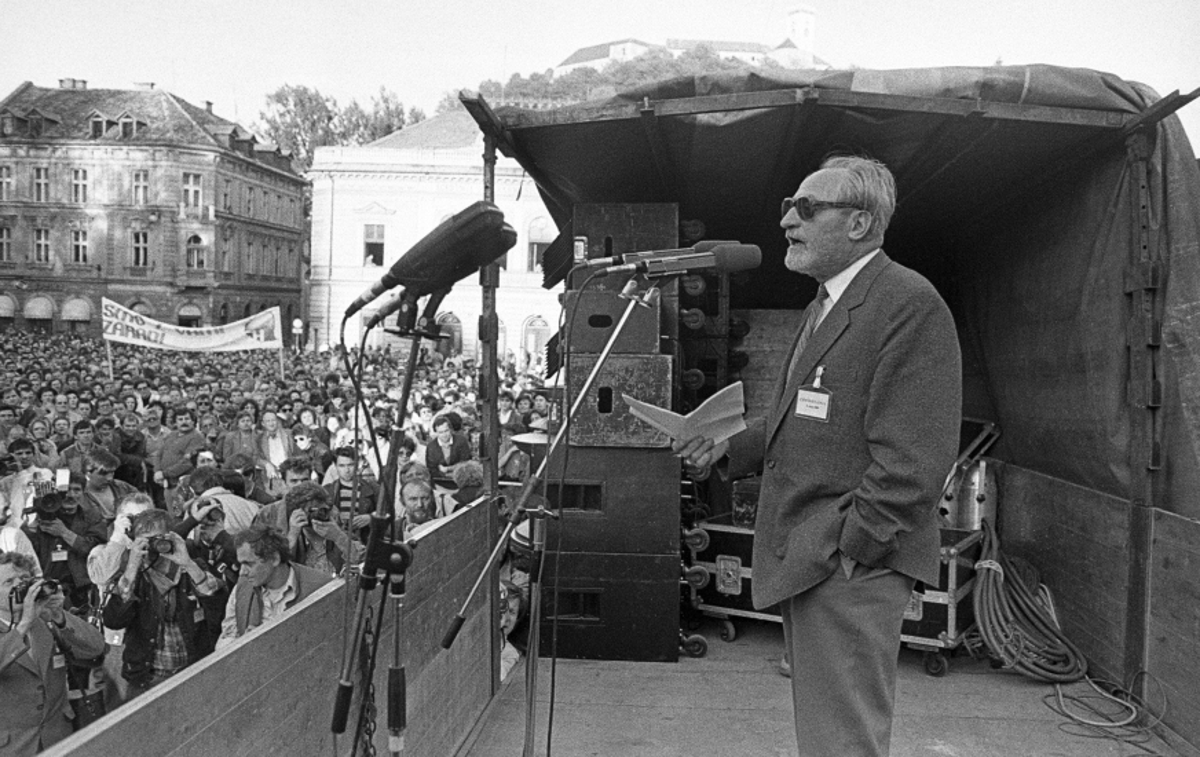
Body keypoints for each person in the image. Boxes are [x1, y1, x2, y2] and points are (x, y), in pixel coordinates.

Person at [675, 156, 961, 757]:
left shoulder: (908, 303)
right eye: (788, 205)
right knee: (827, 739)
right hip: (814, 557)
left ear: (859, 224)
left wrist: (853, 550)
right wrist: (728, 447)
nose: (786, 220)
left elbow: (914, 462)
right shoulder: (825, 305)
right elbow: (804, 415)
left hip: (848, 563)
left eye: (806, 208)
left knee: (843, 743)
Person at [101, 509, 221, 697]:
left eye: (159, 538)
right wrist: (132, 568)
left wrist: (188, 563)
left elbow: (217, 606)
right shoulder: (131, 575)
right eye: (146, 540)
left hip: (193, 672)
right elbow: (113, 621)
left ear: (171, 537)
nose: (154, 546)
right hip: (148, 678)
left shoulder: (191, 567)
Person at [0, 552, 107, 756]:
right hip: (12, 746)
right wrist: (23, 625)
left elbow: (95, 647)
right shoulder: (29, 622)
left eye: (24, 580)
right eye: (8, 582)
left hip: (57, 738)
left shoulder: (45, 620)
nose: (19, 586)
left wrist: (59, 616)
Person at [214, 525, 331, 650]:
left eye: (249, 564)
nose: (242, 572)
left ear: (274, 559)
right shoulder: (242, 587)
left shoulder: (321, 587)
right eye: (240, 564)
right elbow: (226, 637)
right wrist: (241, 644)